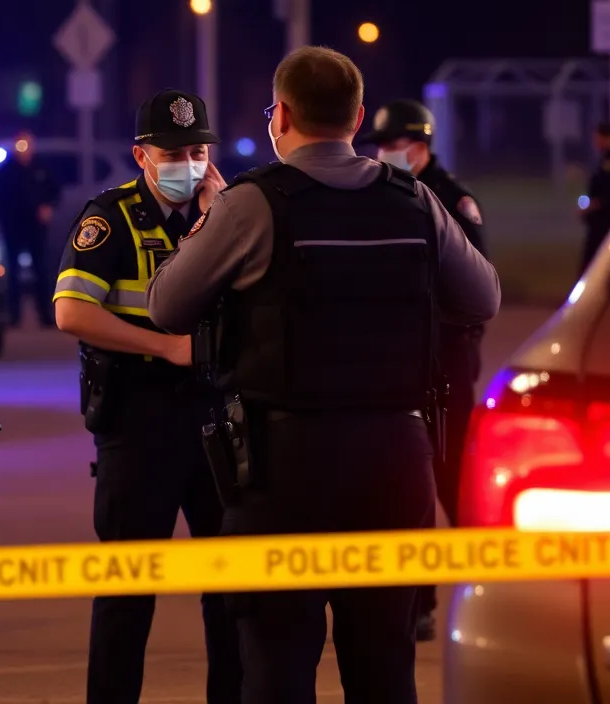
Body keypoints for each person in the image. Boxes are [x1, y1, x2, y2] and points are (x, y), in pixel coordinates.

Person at [146, 47, 501, 704]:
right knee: (385, 662)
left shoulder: (251, 204)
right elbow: (482, 299)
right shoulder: (415, 200)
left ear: (281, 115)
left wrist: (210, 222)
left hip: (284, 466)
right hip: (396, 460)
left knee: (278, 664)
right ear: (358, 117)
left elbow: (167, 306)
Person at [53, 89, 241, 704]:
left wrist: (217, 219)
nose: (188, 163)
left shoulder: (227, 215)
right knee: (128, 590)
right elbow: (71, 311)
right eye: (173, 152)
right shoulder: (110, 217)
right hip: (140, 419)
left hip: (216, 414)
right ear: (141, 156)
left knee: (230, 590)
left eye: (197, 151)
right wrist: (164, 347)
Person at [364, 98, 489, 641]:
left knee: (450, 478)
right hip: (400, 359)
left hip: (444, 364)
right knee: (403, 482)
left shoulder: (452, 201)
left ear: (416, 148)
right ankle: (418, 602)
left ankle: (484, 584)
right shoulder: (385, 193)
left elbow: (477, 287)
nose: (381, 155)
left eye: (390, 147)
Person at [0, 130, 59, 327]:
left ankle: (45, 315)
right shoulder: (6, 171)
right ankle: (14, 315)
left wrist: (48, 206)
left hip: (36, 227)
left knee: (41, 269)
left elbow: (54, 191)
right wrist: (3, 218)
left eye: (27, 144)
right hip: (14, 226)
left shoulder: (41, 167)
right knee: (12, 270)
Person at [579, 120, 610, 275]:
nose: (596, 141)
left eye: (598, 137)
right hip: (599, 224)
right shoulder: (604, 161)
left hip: (605, 225)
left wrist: (592, 205)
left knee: (593, 268)